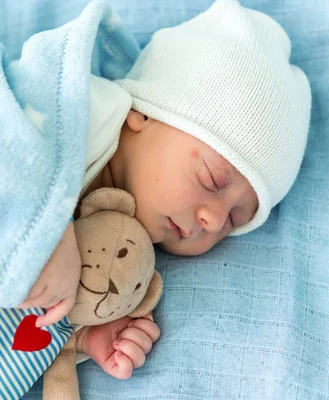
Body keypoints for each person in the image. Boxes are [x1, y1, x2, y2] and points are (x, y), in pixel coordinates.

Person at [24, 0, 312, 380]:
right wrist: (48, 227)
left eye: (232, 221)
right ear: (144, 114)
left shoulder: (127, 250)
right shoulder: (79, 108)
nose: (211, 220)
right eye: (211, 179)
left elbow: (21, 318)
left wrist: (88, 334)